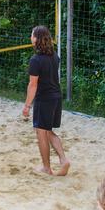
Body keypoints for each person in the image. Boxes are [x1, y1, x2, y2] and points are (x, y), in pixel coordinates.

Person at [21, 25, 70, 176]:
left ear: (36, 38)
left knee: (41, 133)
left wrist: (27, 106)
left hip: (45, 99)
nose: (30, 37)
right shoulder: (54, 56)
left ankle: (46, 168)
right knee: (47, 131)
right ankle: (63, 160)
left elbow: (33, 84)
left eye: (32, 35)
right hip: (56, 97)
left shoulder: (36, 60)